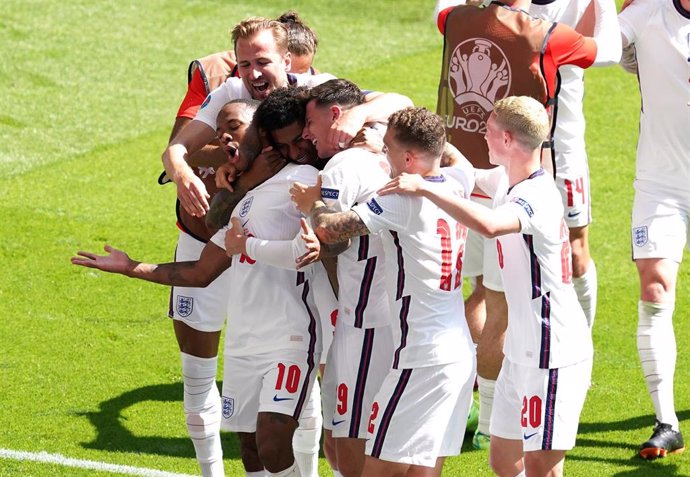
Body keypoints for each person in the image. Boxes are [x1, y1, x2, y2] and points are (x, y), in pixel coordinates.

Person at [73, 100, 325, 477]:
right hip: (244, 340)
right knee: (249, 445)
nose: (224, 138)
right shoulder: (243, 204)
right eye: (221, 129)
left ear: (261, 139)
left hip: (291, 334)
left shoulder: (302, 179)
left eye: (235, 129)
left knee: (272, 442)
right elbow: (201, 272)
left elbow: (313, 246)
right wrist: (129, 267)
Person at [434, 0, 621, 449]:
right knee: (501, 299)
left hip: (467, 174)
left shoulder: (454, 18)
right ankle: (493, 416)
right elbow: (609, 50)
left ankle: (475, 410)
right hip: (518, 177)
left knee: (476, 292)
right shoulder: (545, 34)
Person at [380, 96, 592, 477]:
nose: (482, 136)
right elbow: (464, 172)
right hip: (520, 350)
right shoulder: (507, 179)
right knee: (503, 460)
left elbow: (491, 225)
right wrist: (424, 138)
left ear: (507, 140)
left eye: (489, 130)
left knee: (543, 467)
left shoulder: (537, 195)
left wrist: (425, 189)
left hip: (552, 352)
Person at [161, 14, 324, 475]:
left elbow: (384, 103)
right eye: (245, 63)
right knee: (198, 378)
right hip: (205, 237)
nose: (254, 73)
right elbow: (177, 148)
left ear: (291, 61)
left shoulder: (316, 94)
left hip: (274, 252)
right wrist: (188, 172)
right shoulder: (223, 86)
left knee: (295, 379)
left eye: (264, 62)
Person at [291, 107, 476, 477]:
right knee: (423, 470)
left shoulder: (401, 200)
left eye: (387, 148)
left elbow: (328, 227)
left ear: (409, 158)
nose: (381, 155)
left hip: (421, 358)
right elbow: (454, 157)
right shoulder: (455, 185)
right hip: (458, 353)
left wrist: (313, 201)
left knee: (376, 471)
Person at [300, 79, 395, 477]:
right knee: (340, 444)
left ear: (335, 115)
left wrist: (311, 207)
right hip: (370, 317)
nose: (306, 133)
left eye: (310, 122)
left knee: (352, 440)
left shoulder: (345, 165)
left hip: (367, 323)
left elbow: (331, 240)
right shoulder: (386, 151)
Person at [618, 0, 690, 459]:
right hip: (662, 183)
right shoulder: (644, 13)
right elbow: (598, 49)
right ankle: (667, 422)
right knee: (655, 288)